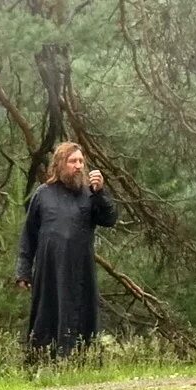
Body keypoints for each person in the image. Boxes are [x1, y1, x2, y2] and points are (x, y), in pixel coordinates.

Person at [15, 142, 118, 358]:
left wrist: (101, 194)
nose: (79, 166)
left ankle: (80, 360)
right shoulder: (43, 194)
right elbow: (29, 236)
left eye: (81, 161)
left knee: (80, 314)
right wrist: (23, 271)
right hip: (49, 270)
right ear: (61, 164)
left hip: (80, 270)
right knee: (48, 314)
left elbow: (109, 219)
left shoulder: (90, 195)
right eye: (73, 161)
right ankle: (43, 359)